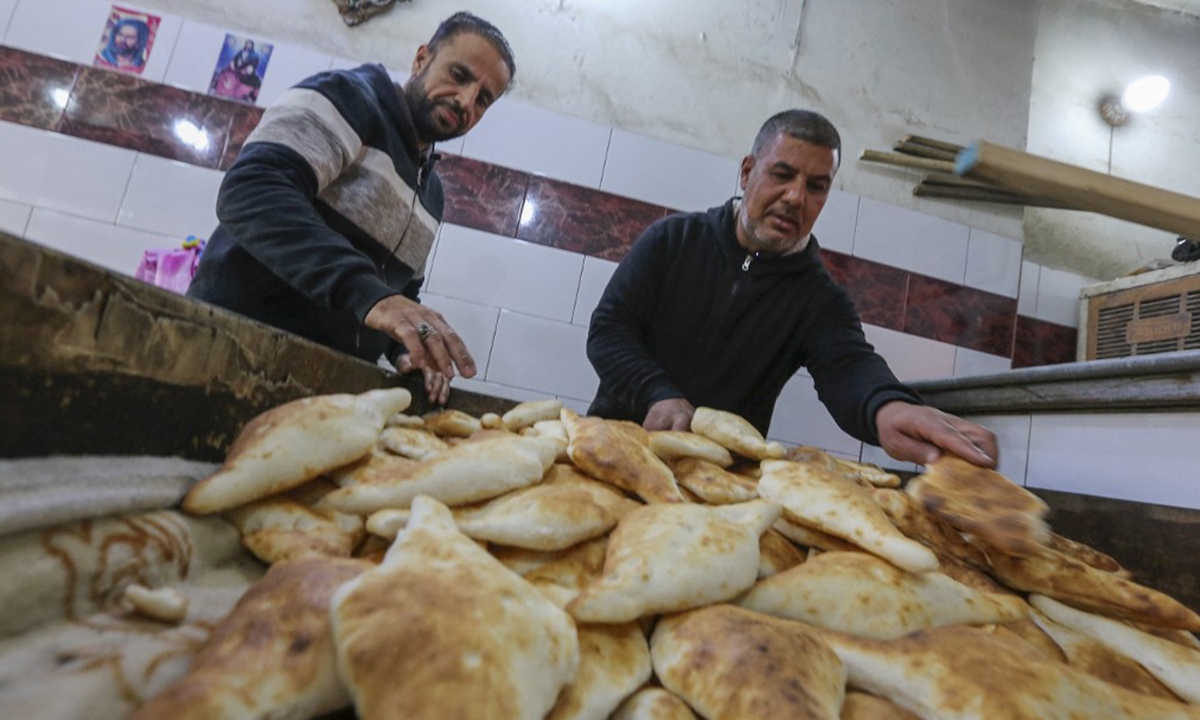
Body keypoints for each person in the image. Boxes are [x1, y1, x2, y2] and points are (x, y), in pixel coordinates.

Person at [586, 109, 998, 468]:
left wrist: (888, 409)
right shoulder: (673, 240)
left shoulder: (819, 300)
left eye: (816, 186)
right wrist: (657, 393)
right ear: (748, 172)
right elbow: (609, 331)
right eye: (782, 175)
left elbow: (849, 367)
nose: (796, 197)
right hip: (614, 448)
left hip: (718, 485)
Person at [188, 12, 515, 405]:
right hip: (229, 353)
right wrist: (373, 297)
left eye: (483, 99)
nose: (465, 101)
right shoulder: (350, 97)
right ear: (421, 58)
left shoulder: (432, 194)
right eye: (459, 74)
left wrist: (406, 346)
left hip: (318, 390)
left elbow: (397, 292)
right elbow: (252, 190)